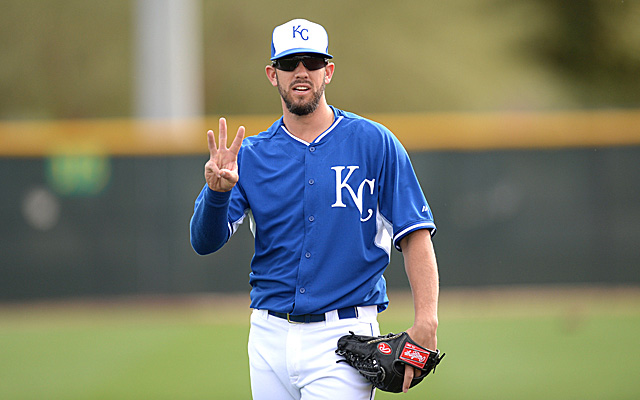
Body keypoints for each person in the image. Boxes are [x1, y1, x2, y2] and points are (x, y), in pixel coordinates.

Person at [190, 18, 440, 400]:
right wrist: (216, 193)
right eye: (290, 64)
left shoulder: (375, 143)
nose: (301, 72)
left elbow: (414, 233)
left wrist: (427, 320)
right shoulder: (250, 157)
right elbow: (204, 242)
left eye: (312, 61)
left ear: (329, 71)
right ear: (273, 75)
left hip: (342, 338)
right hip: (268, 336)